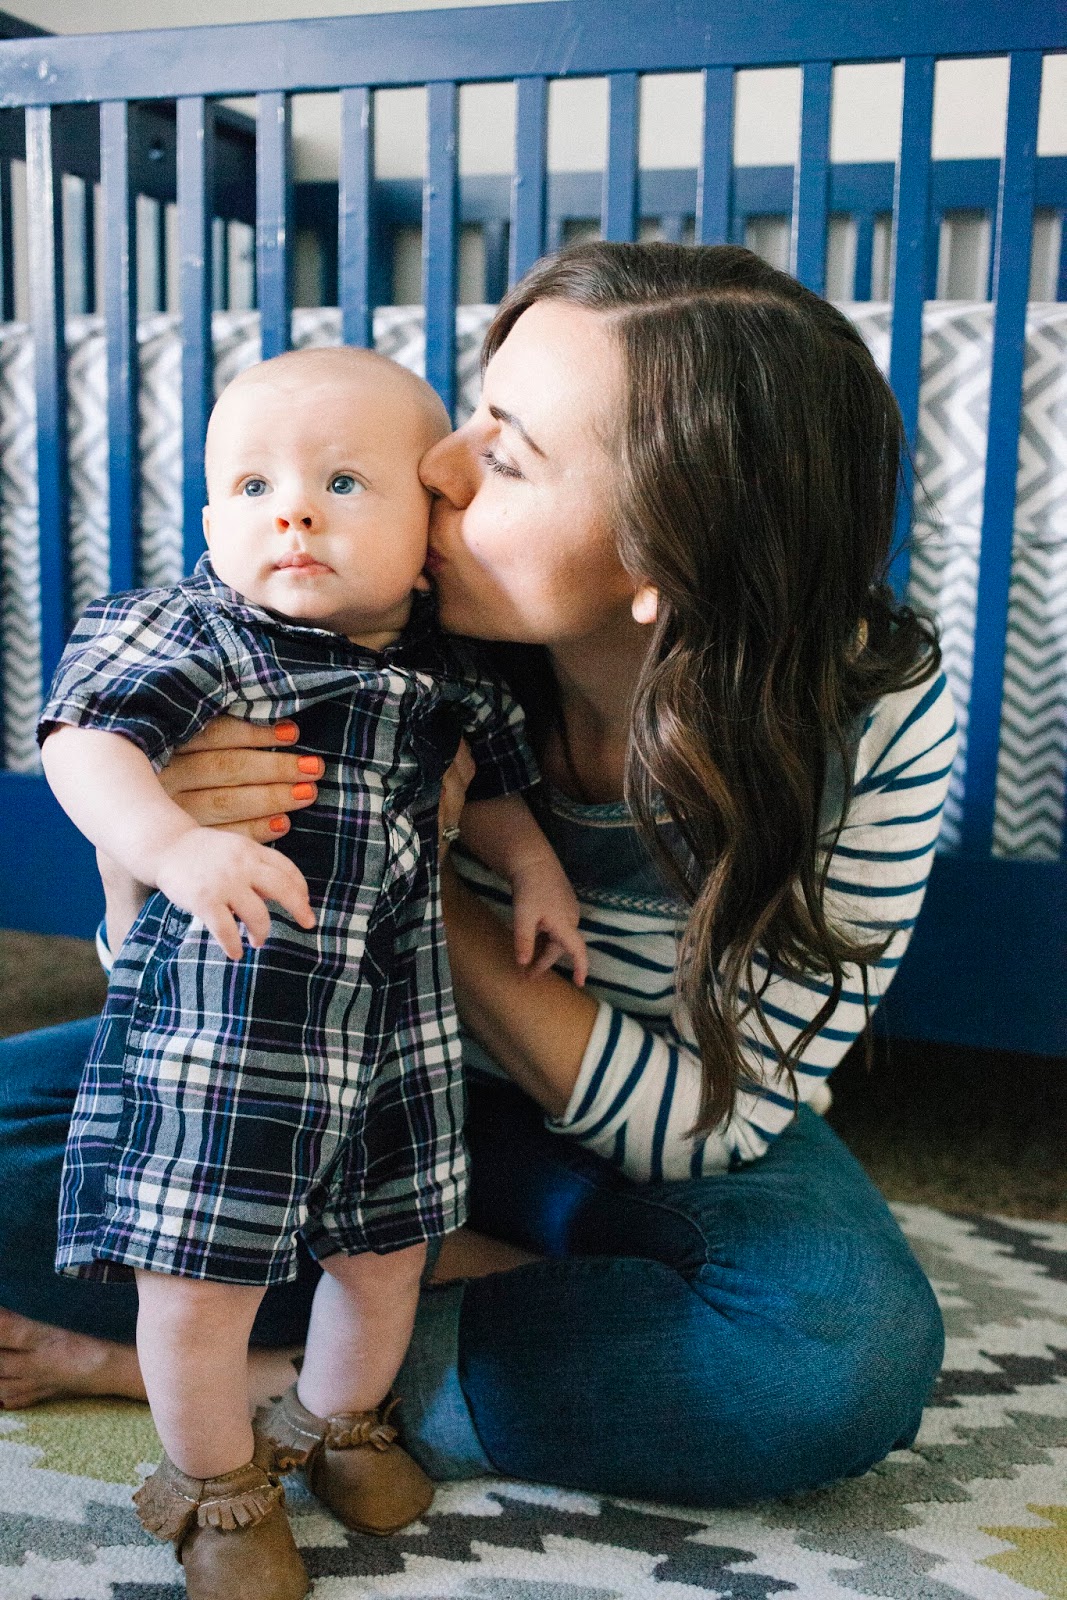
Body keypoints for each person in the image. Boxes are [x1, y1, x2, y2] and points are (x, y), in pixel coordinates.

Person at [0, 243, 956, 1519]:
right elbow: (173, 1013)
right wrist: (147, 855)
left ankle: (268, 1384)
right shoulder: (369, 613)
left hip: (616, 1138)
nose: (432, 466)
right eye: (477, 406)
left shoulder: (864, 717)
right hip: (308, 1064)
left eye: (503, 455)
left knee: (828, 1353)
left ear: (660, 559)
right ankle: (431, 1301)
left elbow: (712, 1125)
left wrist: (398, 877)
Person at [35, 345, 587, 1600]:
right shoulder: (194, 630)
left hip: (395, 1033)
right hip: (225, 1027)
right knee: (200, 1276)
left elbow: (491, 790)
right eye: (247, 485)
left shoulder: (449, 664)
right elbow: (85, 746)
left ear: (432, 525)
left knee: (388, 1250)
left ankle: (336, 1424)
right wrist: (165, 841)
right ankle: (217, 1486)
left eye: (342, 481)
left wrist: (535, 869)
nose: (288, 512)